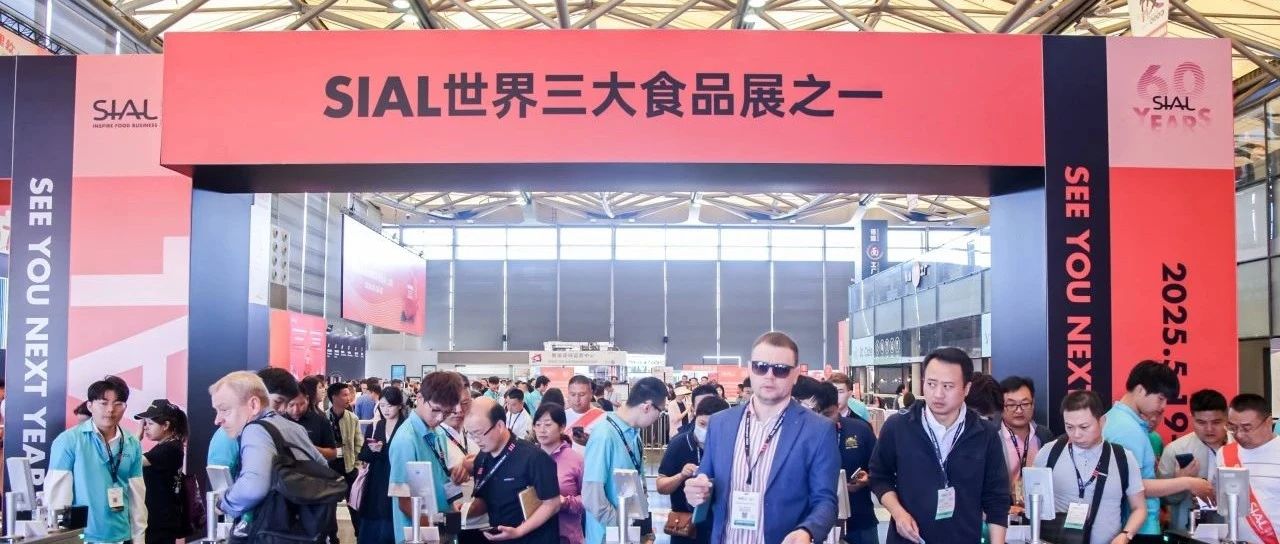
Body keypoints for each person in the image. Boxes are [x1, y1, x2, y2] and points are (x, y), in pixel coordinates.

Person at [684, 332, 840, 544]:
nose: (769, 375)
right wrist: (696, 490)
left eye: (781, 369)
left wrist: (807, 531)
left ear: (795, 374)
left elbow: (825, 501)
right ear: (750, 369)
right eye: (761, 367)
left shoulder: (818, 430)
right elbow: (705, 476)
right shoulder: (721, 423)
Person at [868, 347, 1011, 544]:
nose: (938, 394)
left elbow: (997, 498)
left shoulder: (985, 434)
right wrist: (898, 512)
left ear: (966, 388)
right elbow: (879, 476)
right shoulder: (898, 426)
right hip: (909, 539)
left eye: (948, 386)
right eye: (931, 384)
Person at [1103, 361, 1213, 538]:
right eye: (1160, 398)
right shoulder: (1127, 430)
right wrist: (1189, 482)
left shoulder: (1118, 420)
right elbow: (1135, 486)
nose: (1163, 407)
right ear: (1140, 389)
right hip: (1138, 528)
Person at [208, 372, 326, 532]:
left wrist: (225, 504)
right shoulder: (295, 428)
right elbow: (322, 466)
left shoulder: (254, 430)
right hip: (304, 527)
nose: (217, 420)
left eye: (225, 410)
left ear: (254, 404)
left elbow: (253, 485)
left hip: (267, 529)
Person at [1031, 390, 1147, 544]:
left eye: (1084, 427)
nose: (1076, 434)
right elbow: (1032, 503)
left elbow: (1139, 508)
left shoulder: (1123, 458)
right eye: (1069, 427)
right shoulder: (1049, 453)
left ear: (1102, 421)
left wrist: (1126, 535)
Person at [48, 376, 147, 544]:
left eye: (118, 404)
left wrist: (139, 539)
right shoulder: (68, 441)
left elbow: (137, 497)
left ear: (125, 407)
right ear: (90, 406)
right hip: (84, 537)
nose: (110, 410)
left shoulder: (132, 443)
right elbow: (57, 498)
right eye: (103, 403)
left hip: (121, 536)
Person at [456, 397, 563, 542]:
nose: (476, 440)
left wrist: (519, 531)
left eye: (479, 433)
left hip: (534, 539)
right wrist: (465, 510)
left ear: (500, 426)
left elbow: (552, 504)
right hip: (500, 538)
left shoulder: (534, 457)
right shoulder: (482, 458)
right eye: (471, 434)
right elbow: (485, 499)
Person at [582, 377, 667, 544]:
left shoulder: (634, 436)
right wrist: (623, 527)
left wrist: (641, 529)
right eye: (660, 411)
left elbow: (637, 487)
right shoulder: (604, 435)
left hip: (629, 534)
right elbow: (592, 498)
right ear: (647, 407)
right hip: (607, 536)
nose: (659, 418)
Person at [793, 379, 878, 544]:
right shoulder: (800, 437)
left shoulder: (860, 430)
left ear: (837, 407)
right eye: (817, 414)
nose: (822, 421)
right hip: (812, 525)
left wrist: (868, 479)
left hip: (860, 520)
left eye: (827, 415)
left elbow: (881, 470)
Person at [388, 371, 464, 543]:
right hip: (419, 534)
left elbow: (440, 476)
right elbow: (404, 501)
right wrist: (435, 530)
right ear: (420, 398)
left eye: (447, 413)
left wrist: (455, 474)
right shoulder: (405, 440)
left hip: (443, 523)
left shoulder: (438, 432)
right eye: (436, 410)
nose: (440, 418)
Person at [658, 396, 730, 544]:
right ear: (695, 416)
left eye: (713, 427)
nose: (706, 431)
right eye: (702, 424)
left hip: (720, 528)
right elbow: (661, 486)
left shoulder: (731, 448)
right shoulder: (679, 443)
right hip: (685, 528)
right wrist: (681, 476)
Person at [1159, 389, 1230, 532]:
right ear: (1191, 418)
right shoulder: (1176, 450)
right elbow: (1164, 499)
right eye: (1201, 422)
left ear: (1227, 418)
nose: (1209, 429)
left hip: (1234, 529)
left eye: (1216, 422)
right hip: (1187, 531)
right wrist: (1180, 482)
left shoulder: (1240, 448)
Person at [1218, 393, 1279, 544]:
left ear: (1268, 422)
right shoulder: (1224, 454)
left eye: (1246, 428)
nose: (1239, 434)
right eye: (1233, 427)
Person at [358, 386, 409, 543]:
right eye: (382, 405)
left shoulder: (406, 427)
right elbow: (363, 455)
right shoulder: (375, 426)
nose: (386, 410)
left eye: (390, 405)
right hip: (376, 480)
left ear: (399, 405)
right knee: (373, 521)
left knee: (392, 517)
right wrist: (373, 450)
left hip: (397, 478)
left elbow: (406, 455)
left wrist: (383, 449)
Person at [134, 399, 189, 544]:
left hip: (160, 522)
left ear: (165, 425)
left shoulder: (169, 449)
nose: (145, 428)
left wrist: (136, 437)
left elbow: (131, 462)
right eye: (145, 423)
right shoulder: (168, 446)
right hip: (160, 520)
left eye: (150, 424)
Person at [531, 402, 585, 544]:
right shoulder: (528, 458)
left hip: (566, 536)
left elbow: (590, 500)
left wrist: (565, 502)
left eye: (548, 425)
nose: (542, 430)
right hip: (534, 536)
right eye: (537, 424)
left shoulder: (576, 460)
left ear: (562, 427)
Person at [999, 376, 1053, 510]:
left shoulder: (1044, 436)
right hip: (1003, 512)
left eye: (1025, 403)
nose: (1019, 410)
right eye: (1011, 405)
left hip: (1038, 509)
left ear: (1033, 404)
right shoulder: (992, 437)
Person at [327, 381, 364, 538]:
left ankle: (360, 536)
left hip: (349, 467)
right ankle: (332, 537)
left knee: (354, 505)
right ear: (334, 397)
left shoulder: (352, 418)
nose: (348, 398)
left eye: (349, 394)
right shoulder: (323, 418)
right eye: (344, 395)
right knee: (329, 507)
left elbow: (358, 443)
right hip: (329, 469)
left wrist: (356, 465)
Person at [287, 376, 339, 462]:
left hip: (313, 468)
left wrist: (309, 447)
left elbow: (332, 454)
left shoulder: (321, 420)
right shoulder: (279, 421)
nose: (296, 410)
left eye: (301, 404)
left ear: (307, 399)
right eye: (291, 405)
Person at [566, 375, 606, 449]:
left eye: (582, 395)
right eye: (573, 394)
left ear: (591, 394)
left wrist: (590, 442)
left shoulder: (603, 418)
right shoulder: (561, 416)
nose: (577, 399)